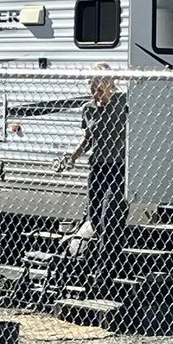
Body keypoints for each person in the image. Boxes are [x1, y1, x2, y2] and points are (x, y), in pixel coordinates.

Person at [59, 74, 128, 247]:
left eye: (99, 90)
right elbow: (89, 138)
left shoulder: (123, 102)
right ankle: (102, 252)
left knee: (110, 216)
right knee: (95, 216)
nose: (95, 95)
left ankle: (107, 264)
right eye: (92, 90)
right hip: (98, 167)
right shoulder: (88, 109)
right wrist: (73, 156)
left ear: (110, 86)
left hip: (120, 167)